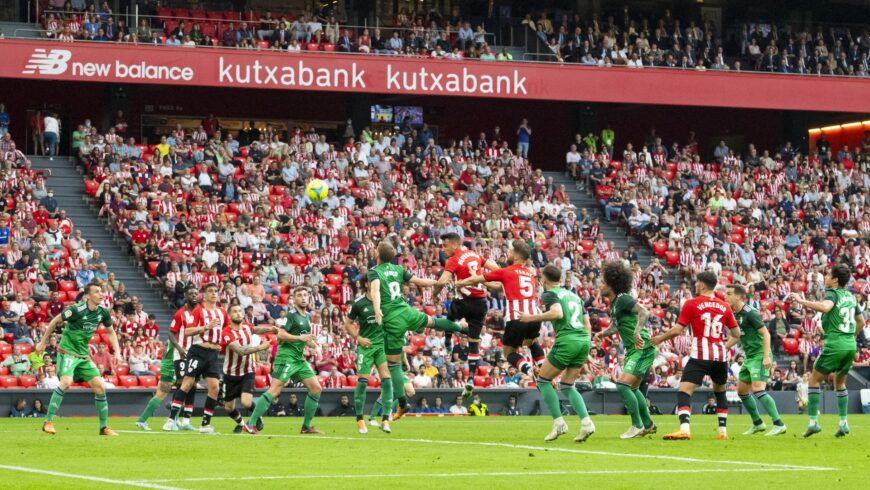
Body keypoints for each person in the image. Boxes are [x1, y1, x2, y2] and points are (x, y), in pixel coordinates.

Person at [368, 241, 466, 421]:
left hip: (393, 320)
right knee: (434, 321)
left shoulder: (374, 271)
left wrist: (377, 310)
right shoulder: (398, 269)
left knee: (394, 366)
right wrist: (438, 282)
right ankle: (461, 328)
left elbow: (375, 292)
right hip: (408, 312)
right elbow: (419, 281)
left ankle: (403, 404)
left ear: (377, 254)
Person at [652, 271, 740, 440]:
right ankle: (723, 432)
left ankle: (685, 429)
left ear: (703, 285)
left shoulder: (691, 303)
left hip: (700, 355)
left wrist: (659, 339)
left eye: (697, 282)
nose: (696, 285)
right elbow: (736, 334)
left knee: (684, 392)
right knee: (720, 392)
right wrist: (722, 345)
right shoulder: (725, 306)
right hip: (720, 357)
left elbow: (678, 329)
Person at [520, 264, 595, 442]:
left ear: (543, 279)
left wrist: (530, 318)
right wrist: (588, 350)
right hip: (584, 340)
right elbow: (588, 325)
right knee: (567, 385)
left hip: (567, 340)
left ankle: (559, 423)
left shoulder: (550, 294)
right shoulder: (575, 296)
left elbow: (557, 313)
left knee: (543, 381)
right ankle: (586, 423)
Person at [35, 282, 121, 436]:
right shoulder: (76, 310)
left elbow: (111, 332)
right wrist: (43, 342)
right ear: (87, 296)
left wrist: (118, 352)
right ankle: (48, 422)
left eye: (101, 291)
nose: (101, 294)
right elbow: (55, 321)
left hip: (83, 356)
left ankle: (103, 428)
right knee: (66, 383)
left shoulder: (103, 312)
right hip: (67, 352)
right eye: (97, 292)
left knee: (100, 387)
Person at [789, 264, 864, 438]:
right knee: (840, 382)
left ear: (836, 279)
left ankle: (813, 422)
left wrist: (801, 301)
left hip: (835, 344)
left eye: (828, 275)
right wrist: (851, 337)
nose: (826, 278)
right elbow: (860, 322)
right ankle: (843, 423)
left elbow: (825, 307)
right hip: (849, 346)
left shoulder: (833, 293)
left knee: (814, 380)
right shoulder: (851, 297)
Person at [457, 241, 544, 377]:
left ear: (515, 255)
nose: (508, 253)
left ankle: (531, 372)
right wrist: (478, 278)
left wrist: (459, 283)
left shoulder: (506, 271)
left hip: (517, 317)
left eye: (510, 251)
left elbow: (474, 280)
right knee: (532, 342)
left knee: (509, 353)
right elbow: (500, 286)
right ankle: (545, 373)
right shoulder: (530, 274)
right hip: (535, 317)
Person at [246, 287, 324, 434]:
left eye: (305, 295)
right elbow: (281, 335)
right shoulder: (291, 315)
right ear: (294, 299)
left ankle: (306, 426)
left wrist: (315, 347)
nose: (303, 298)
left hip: (299, 359)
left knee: (316, 388)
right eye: (299, 295)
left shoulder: (307, 316)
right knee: (274, 390)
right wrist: (300, 338)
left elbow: (305, 338)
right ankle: (251, 423)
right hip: (286, 357)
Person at [594, 261, 656, 439]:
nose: (600, 285)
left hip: (641, 346)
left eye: (603, 282)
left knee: (622, 385)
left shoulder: (623, 298)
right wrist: (603, 334)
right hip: (633, 349)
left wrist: (637, 332)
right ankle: (648, 424)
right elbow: (615, 327)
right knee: (633, 389)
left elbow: (644, 312)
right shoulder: (614, 303)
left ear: (612, 284)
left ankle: (637, 425)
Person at [434, 232, 499, 399]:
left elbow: (442, 282)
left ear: (455, 245)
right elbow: (494, 267)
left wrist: (435, 294)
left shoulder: (454, 259)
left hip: (464, 302)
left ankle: (448, 340)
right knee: (474, 342)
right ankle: (470, 378)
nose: (443, 249)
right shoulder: (474, 255)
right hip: (481, 303)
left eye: (445, 245)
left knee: (449, 318)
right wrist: (492, 278)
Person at [163, 283, 229, 434]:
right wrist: (206, 327)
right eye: (210, 291)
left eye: (216, 291)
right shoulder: (199, 311)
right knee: (187, 383)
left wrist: (221, 344)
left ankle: (205, 425)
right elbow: (188, 331)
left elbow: (225, 331)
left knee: (214, 387)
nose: (214, 294)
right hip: (198, 351)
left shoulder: (222, 313)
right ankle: (171, 420)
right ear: (204, 295)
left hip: (212, 354)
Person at [724, 284, 787, 436]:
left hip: (760, 355)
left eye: (729, 293)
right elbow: (737, 336)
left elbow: (766, 334)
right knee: (742, 391)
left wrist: (766, 356)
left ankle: (779, 424)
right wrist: (722, 348)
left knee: (758, 388)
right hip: (750, 356)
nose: (725, 296)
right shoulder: (735, 314)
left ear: (738, 296)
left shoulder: (750, 313)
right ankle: (758, 423)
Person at [135, 288, 197, 431]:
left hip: (171, 364)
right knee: (163, 393)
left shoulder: (181, 337)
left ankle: (175, 420)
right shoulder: (177, 337)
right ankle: (144, 420)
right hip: (170, 365)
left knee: (184, 389)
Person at [344, 279, 393, 434]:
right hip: (366, 347)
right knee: (363, 382)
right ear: (367, 285)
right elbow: (348, 324)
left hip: (380, 346)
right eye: (374, 282)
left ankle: (385, 420)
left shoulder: (385, 300)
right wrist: (358, 338)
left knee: (387, 381)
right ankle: (360, 420)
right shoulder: (359, 303)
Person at [221, 304, 275, 433]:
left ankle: (257, 417)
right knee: (229, 408)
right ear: (229, 316)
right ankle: (240, 423)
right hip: (230, 374)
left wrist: (272, 329)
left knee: (246, 402)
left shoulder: (246, 326)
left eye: (240, 311)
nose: (239, 313)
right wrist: (260, 348)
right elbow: (240, 350)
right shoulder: (226, 333)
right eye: (235, 311)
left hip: (247, 371)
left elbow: (255, 329)